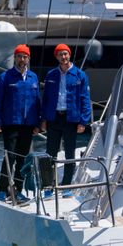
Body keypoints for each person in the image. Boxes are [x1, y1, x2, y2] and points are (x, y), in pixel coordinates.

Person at [0, 43, 41, 201]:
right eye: (19, 56)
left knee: (23, 159)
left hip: (28, 125)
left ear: (28, 59)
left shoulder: (33, 78)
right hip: (10, 123)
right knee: (9, 157)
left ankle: (18, 189)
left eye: (24, 57)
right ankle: (2, 189)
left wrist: (38, 123)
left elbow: (37, 101)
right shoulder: (5, 78)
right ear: (15, 58)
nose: (21, 59)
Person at [40, 43, 92, 195]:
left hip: (71, 119)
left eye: (65, 54)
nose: (63, 57)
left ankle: (67, 186)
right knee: (50, 153)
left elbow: (85, 99)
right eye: (60, 54)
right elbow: (46, 99)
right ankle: (49, 186)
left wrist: (84, 121)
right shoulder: (51, 75)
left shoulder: (80, 75)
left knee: (70, 153)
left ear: (69, 55)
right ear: (56, 57)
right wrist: (43, 119)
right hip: (53, 118)